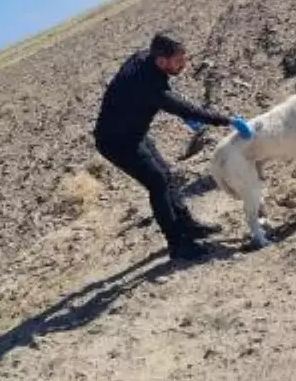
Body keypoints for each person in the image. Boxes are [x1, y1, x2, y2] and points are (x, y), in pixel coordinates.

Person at [93, 31, 253, 261]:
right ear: (161, 60)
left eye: (184, 58)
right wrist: (226, 120)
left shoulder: (145, 59)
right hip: (116, 142)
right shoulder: (148, 84)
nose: (184, 65)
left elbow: (169, 97)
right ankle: (177, 245)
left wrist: (181, 109)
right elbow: (179, 105)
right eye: (179, 61)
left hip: (134, 132)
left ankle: (187, 225)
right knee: (157, 181)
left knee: (166, 175)